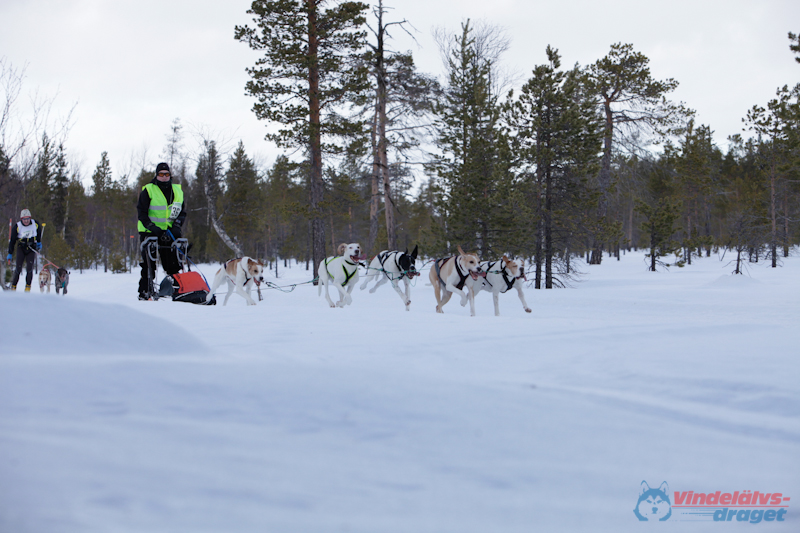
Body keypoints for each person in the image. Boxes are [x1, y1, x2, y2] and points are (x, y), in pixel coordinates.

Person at [137, 162, 187, 300]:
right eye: (161, 174)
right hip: (150, 232)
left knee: (172, 264)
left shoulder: (177, 191)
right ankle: (145, 293)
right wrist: (152, 227)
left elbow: (182, 212)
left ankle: (177, 290)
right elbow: (141, 212)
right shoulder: (149, 190)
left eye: (166, 174)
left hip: (169, 232)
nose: (164, 177)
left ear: (170, 175)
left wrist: (177, 225)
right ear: (157, 175)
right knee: (149, 265)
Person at [6, 209, 43, 292]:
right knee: (18, 268)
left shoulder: (35, 224)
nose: (26, 221)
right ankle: (13, 286)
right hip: (21, 248)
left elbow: (39, 232)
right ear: (21, 219)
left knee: (29, 268)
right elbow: (12, 241)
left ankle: (28, 287)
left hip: (31, 248)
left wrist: (39, 242)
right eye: (24, 219)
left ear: (30, 218)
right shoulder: (17, 226)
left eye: (27, 219)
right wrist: (10, 253)